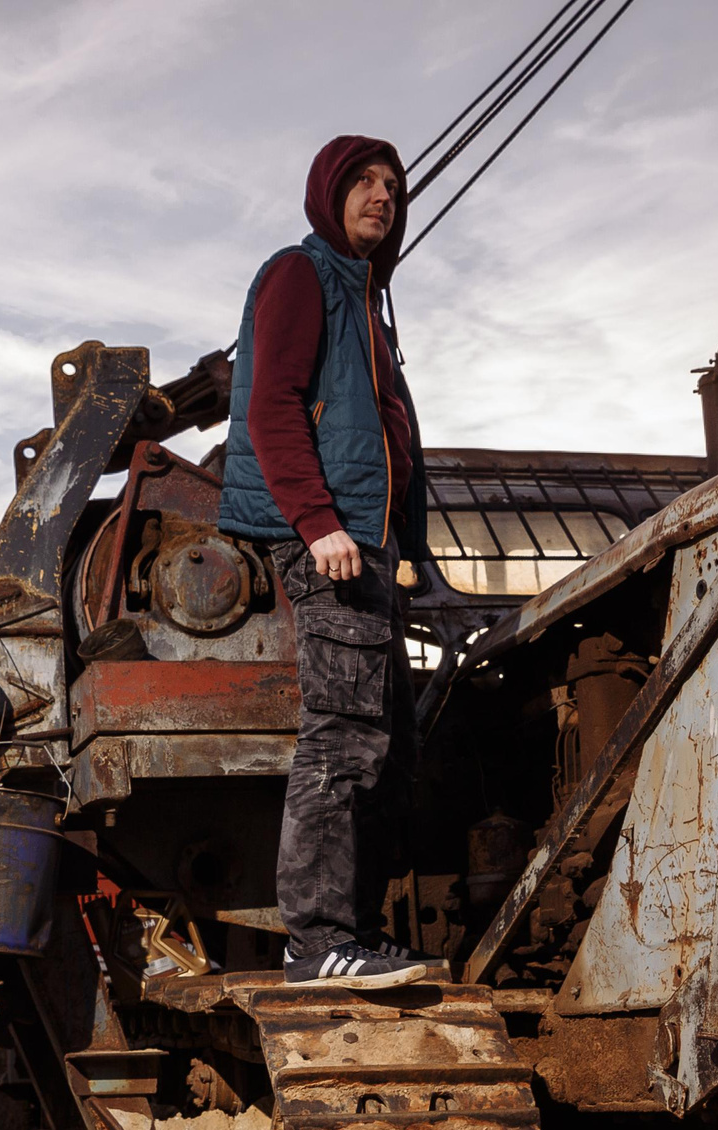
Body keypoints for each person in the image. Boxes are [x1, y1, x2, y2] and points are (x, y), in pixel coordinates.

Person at [217, 135, 436, 989]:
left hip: (373, 552)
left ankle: (359, 935)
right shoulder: (299, 277)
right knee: (341, 738)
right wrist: (316, 523)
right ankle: (315, 941)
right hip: (332, 544)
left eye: (392, 186)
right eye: (364, 183)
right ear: (329, 193)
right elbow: (270, 405)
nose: (382, 195)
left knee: (390, 749)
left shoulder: (369, 304)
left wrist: (411, 556)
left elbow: (393, 441)